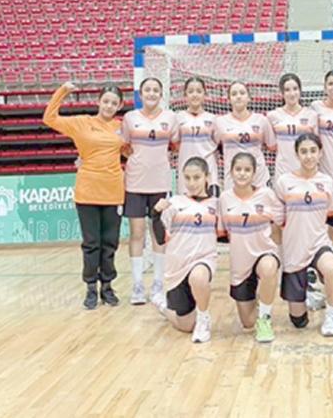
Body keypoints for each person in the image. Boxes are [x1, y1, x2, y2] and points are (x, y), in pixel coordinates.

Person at [42, 82, 124, 309]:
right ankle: (90, 288)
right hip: (87, 192)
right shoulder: (81, 123)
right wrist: (62, 91)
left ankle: (107, 286)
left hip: (113, 192)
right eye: (106, 101)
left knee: (110, 243)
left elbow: (131, 150)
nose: (109, 106)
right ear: (98, 102)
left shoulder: (121, 127)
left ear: (119, 106)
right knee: (91, 243)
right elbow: (49, 118)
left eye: (114, 103)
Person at [274, 133, 333, 337]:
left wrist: (329, 245)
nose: (309, 156)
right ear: (297, 155)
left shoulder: (326, 181)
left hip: (319, 244)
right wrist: (281, 252)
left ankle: (332, 315)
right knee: (299, 322)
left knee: (331, 269)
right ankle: (310, 296)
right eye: (303, 151)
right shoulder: (284, 182)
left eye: (313, 151)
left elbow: (332, 220)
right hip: (294, 249)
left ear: (320, 153)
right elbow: (276, 224)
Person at [121, 77, 180, 305]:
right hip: (135, 184)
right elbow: (124, 147)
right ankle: (137, 284)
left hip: (160, 184)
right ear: (141, 94)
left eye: (156, 90)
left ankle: (157, 283)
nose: (152, 93)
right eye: (148, 90)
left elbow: (175, 145)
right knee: (137, 234)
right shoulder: (130, 118)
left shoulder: (170, 118)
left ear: (161, 94)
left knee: (158, 234)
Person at [217, 152, 283, 343]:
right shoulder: (224, 199)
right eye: (238, 169)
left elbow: (281, 222)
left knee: (269, 268)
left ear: (254, 173)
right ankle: (258, 300)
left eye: (247, 170)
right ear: (230, 172)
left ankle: (265, 318)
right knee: (247, 323)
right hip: (240, 265)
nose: (242, 173)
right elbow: (223, 233)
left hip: (264, 253)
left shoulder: (266, 195)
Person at [151, 157, 217, 343]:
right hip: (177, 268)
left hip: (203, 260)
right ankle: (162, 305)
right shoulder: (174, 203)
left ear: (207, 177)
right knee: (186, 325)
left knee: (199, 276)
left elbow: (224, 234)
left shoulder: (216, 204)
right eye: (187, 178)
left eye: (197, 177)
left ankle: (203, 319)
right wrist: (155, 215)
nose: (192, 183)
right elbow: (160, 239)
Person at [214, 81, 277, 189]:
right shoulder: (219, 122)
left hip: (258, 179)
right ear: (228, 100)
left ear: (249, 98)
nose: (238, 96)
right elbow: (213, 147)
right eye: (234, 94)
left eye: (242, 93)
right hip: (232, 180)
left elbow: (272, 146)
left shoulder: (261, 120)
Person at [267, 73, 318, 181]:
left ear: (300, 90)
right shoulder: (272, 116)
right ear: (282, 93)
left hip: (307, 172)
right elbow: (271, 146)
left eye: (295, 89)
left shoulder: (311, 115)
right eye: (287, 90)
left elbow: (317, 146)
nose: (292, 94)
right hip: (283, 173)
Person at [176, 76, 220, 196]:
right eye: (191, 91)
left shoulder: (214, 120)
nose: (195, 95)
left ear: (205, 94)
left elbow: (218, 146)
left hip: (208, 174)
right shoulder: (178, 118)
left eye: (199, 91)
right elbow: (175, 146)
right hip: (186, 175)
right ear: (185, 95)